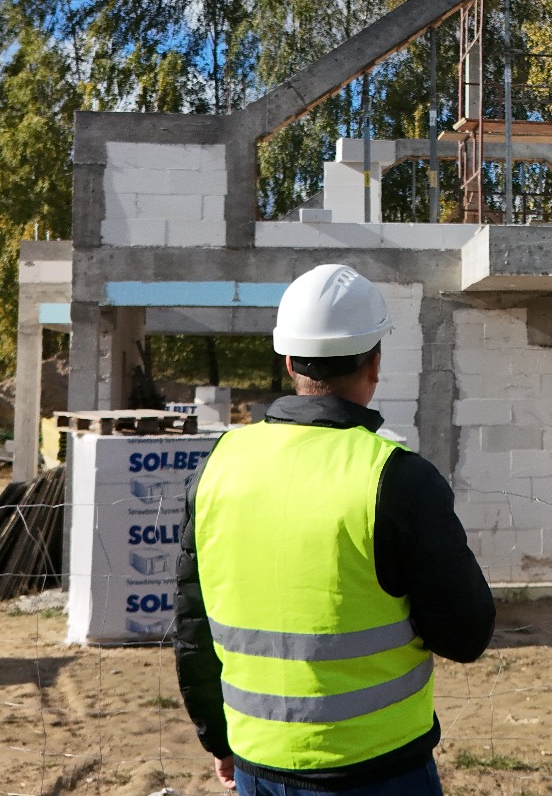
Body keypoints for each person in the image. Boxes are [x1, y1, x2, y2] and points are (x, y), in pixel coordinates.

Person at [175, 263, 495, 796]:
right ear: (374, 362)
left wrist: (219, 740)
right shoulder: (395, 478)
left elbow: (192, 626)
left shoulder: (219, 466)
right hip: (381, 770)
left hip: (258, 764)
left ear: (288, 360)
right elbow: (465, 634)